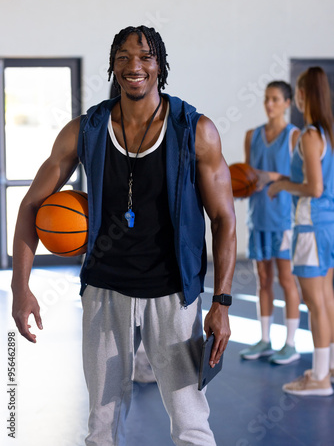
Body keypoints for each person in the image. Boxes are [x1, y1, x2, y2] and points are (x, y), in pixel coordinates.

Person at [11, 25, 237, 445]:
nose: (134, 66)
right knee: (101, 426)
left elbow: (223, 219)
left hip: (172, 294)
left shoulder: (195, 129)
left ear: (160, 67)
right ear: (113, 66)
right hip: (104, 291)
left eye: (145, 57)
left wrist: (222, 303)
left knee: (190, 423)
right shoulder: (85, 130)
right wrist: (19, 287)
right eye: (124, 57)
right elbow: (30, 206)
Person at [268, 67, 334, 396]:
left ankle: (320, 378)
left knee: (315, 303)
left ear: (304, 95)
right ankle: (328, 366)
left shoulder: (309, 135)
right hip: (327, 227)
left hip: (311, 227)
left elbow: (315, 187)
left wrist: (282, 184)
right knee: (326, 299)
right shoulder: (327, 134)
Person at [239, 81, 301, 364]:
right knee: (263, 280)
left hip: (284, 220)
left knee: (287, 280)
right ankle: (264, 339)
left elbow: (301, 180)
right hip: (258, 216)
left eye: (276, 99)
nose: (269, 104)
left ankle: (290, 343)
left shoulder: (294, 137)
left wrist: (273, 177)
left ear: (288, 103)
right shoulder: (252, 135)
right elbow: (248, 176)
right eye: (267, 99)